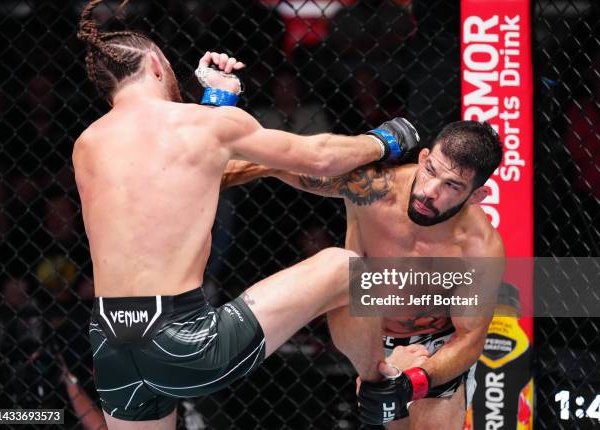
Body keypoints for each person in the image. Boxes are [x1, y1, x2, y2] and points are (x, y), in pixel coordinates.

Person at [73, 1, 427, 428]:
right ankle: (378, 387)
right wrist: (387, 138)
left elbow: (175, 176)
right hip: (181, 341)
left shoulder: (88, 144)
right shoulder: (202, 126)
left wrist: (219, 98)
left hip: (110, 347)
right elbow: (317, 157)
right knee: (345, 267)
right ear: (155, 64)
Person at [221, 120, 506, 428]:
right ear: (423, 158)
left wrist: (413, 382)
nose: (428, 192)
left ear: (477, 195)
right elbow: (276, 162)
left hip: (433, 345)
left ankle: (390, 380)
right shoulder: (374, 189)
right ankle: (374, 374)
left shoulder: (479, 247)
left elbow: (470, 339)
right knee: (342, 269)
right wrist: (200, 175)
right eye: (431, 171)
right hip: (365, 332)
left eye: (452, 186)